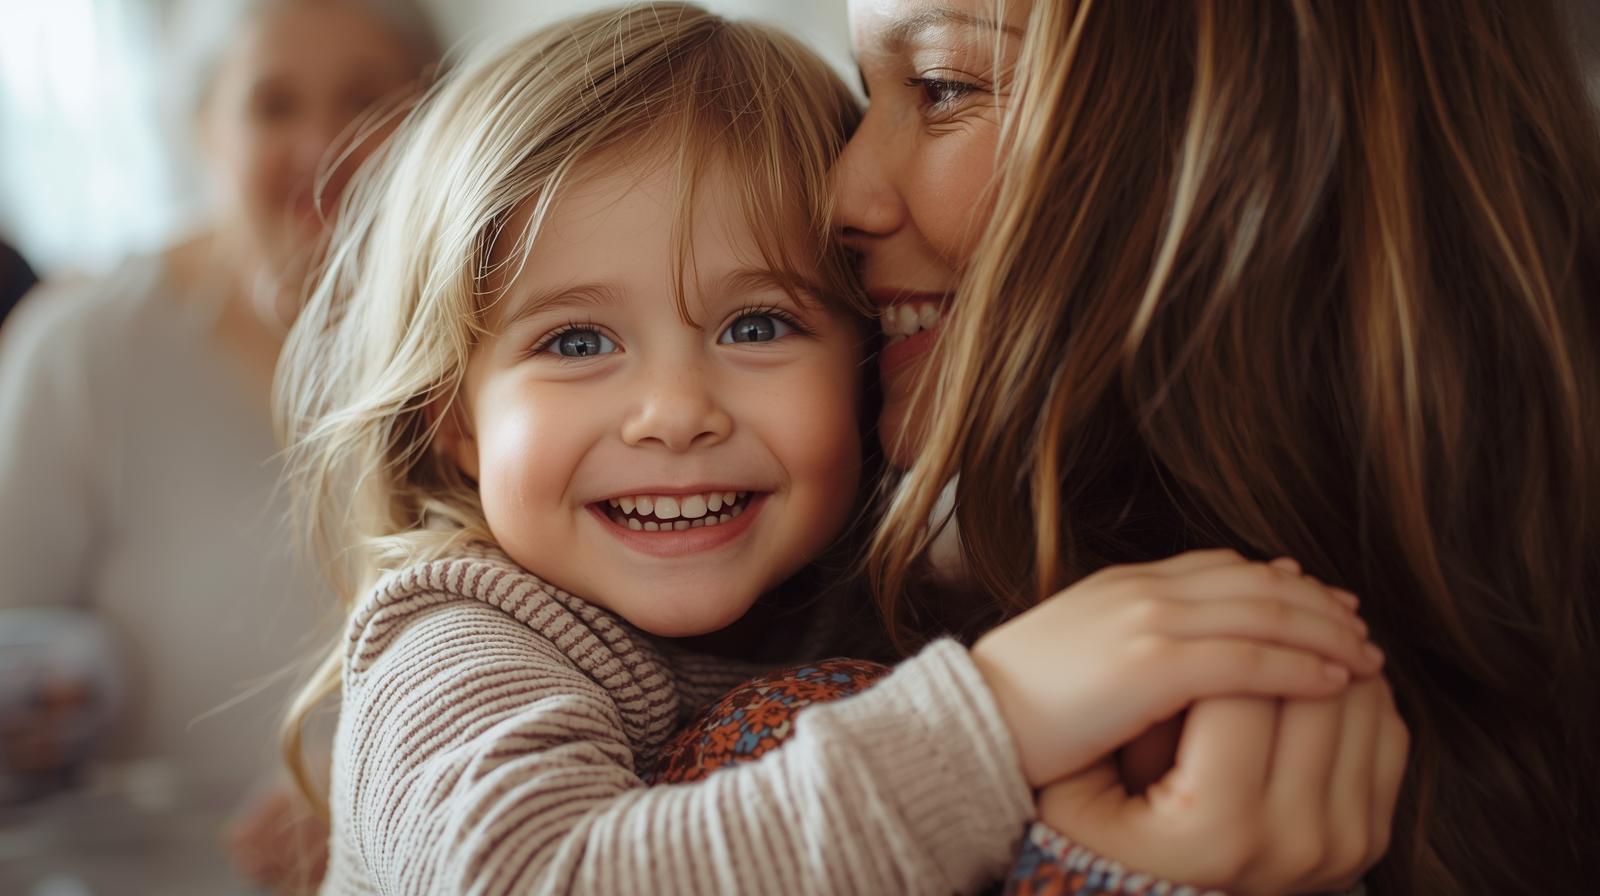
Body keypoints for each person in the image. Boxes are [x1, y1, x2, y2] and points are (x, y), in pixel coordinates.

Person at [275, 6, 1385, 893]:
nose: (674, 410)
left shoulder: (880, 609)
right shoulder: (457, 640)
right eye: (576, 340)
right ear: (452, 417)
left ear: (866, 355)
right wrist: (994, 716)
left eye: (757, 326)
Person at [817, 0, 1597, 892]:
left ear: (1248, 128)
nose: (842, 197)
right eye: (864, 94)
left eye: (945, 86)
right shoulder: (793, 666)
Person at [0, 0, 440, 891]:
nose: (323, 145)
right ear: (205, 132)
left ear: (434, 120)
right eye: (273, 105)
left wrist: (377, 800)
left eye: (366, 99)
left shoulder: (492, 343)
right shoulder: (84, 350)